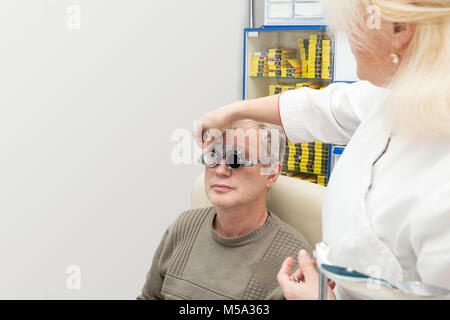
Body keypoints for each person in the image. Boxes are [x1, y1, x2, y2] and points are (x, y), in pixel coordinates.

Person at [194, 0, 450, 299]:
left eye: (349, 27)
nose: (342, 37)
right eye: (213, 157)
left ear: (400, 29)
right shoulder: (399, 94)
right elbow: (322, 107)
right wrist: (232, 111)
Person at [137, 120, 316, 300]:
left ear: (270, 173)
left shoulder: (289, 260)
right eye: (213, 157)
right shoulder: (184, 227)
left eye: (236, 159)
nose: (221, 170)